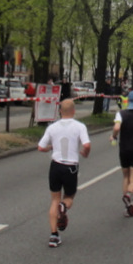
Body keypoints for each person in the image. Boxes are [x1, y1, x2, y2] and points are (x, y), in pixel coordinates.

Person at [37, 99, 91, 248]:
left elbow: (40, 147)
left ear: (60, 111)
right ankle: (64, 206)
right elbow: (86, 144)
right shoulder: (79, 126)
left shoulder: (52, 127)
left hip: (55, 166)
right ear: (74, 111)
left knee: (54, 199)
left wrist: (50, 148)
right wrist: (85, 153)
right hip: (71, 167)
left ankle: (54, 235)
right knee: (69, 197)